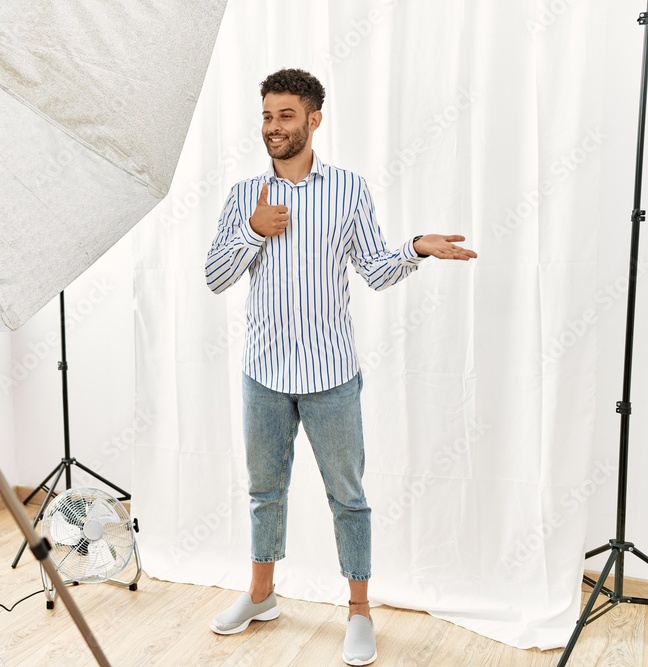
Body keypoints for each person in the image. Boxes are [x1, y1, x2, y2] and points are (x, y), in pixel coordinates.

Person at [204, 68, 477, 666]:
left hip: (331, 376)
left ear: (313, 120)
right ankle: (260, 596)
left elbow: (375, 270)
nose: (273, 127)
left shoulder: (349, 191)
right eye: (267, 116)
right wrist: (252, 232)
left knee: (348, 497)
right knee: (263, 492)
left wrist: (416, 249)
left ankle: (358, 612)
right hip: (264, 376)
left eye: (286, 116)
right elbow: (215, 277)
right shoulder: (244, 197)